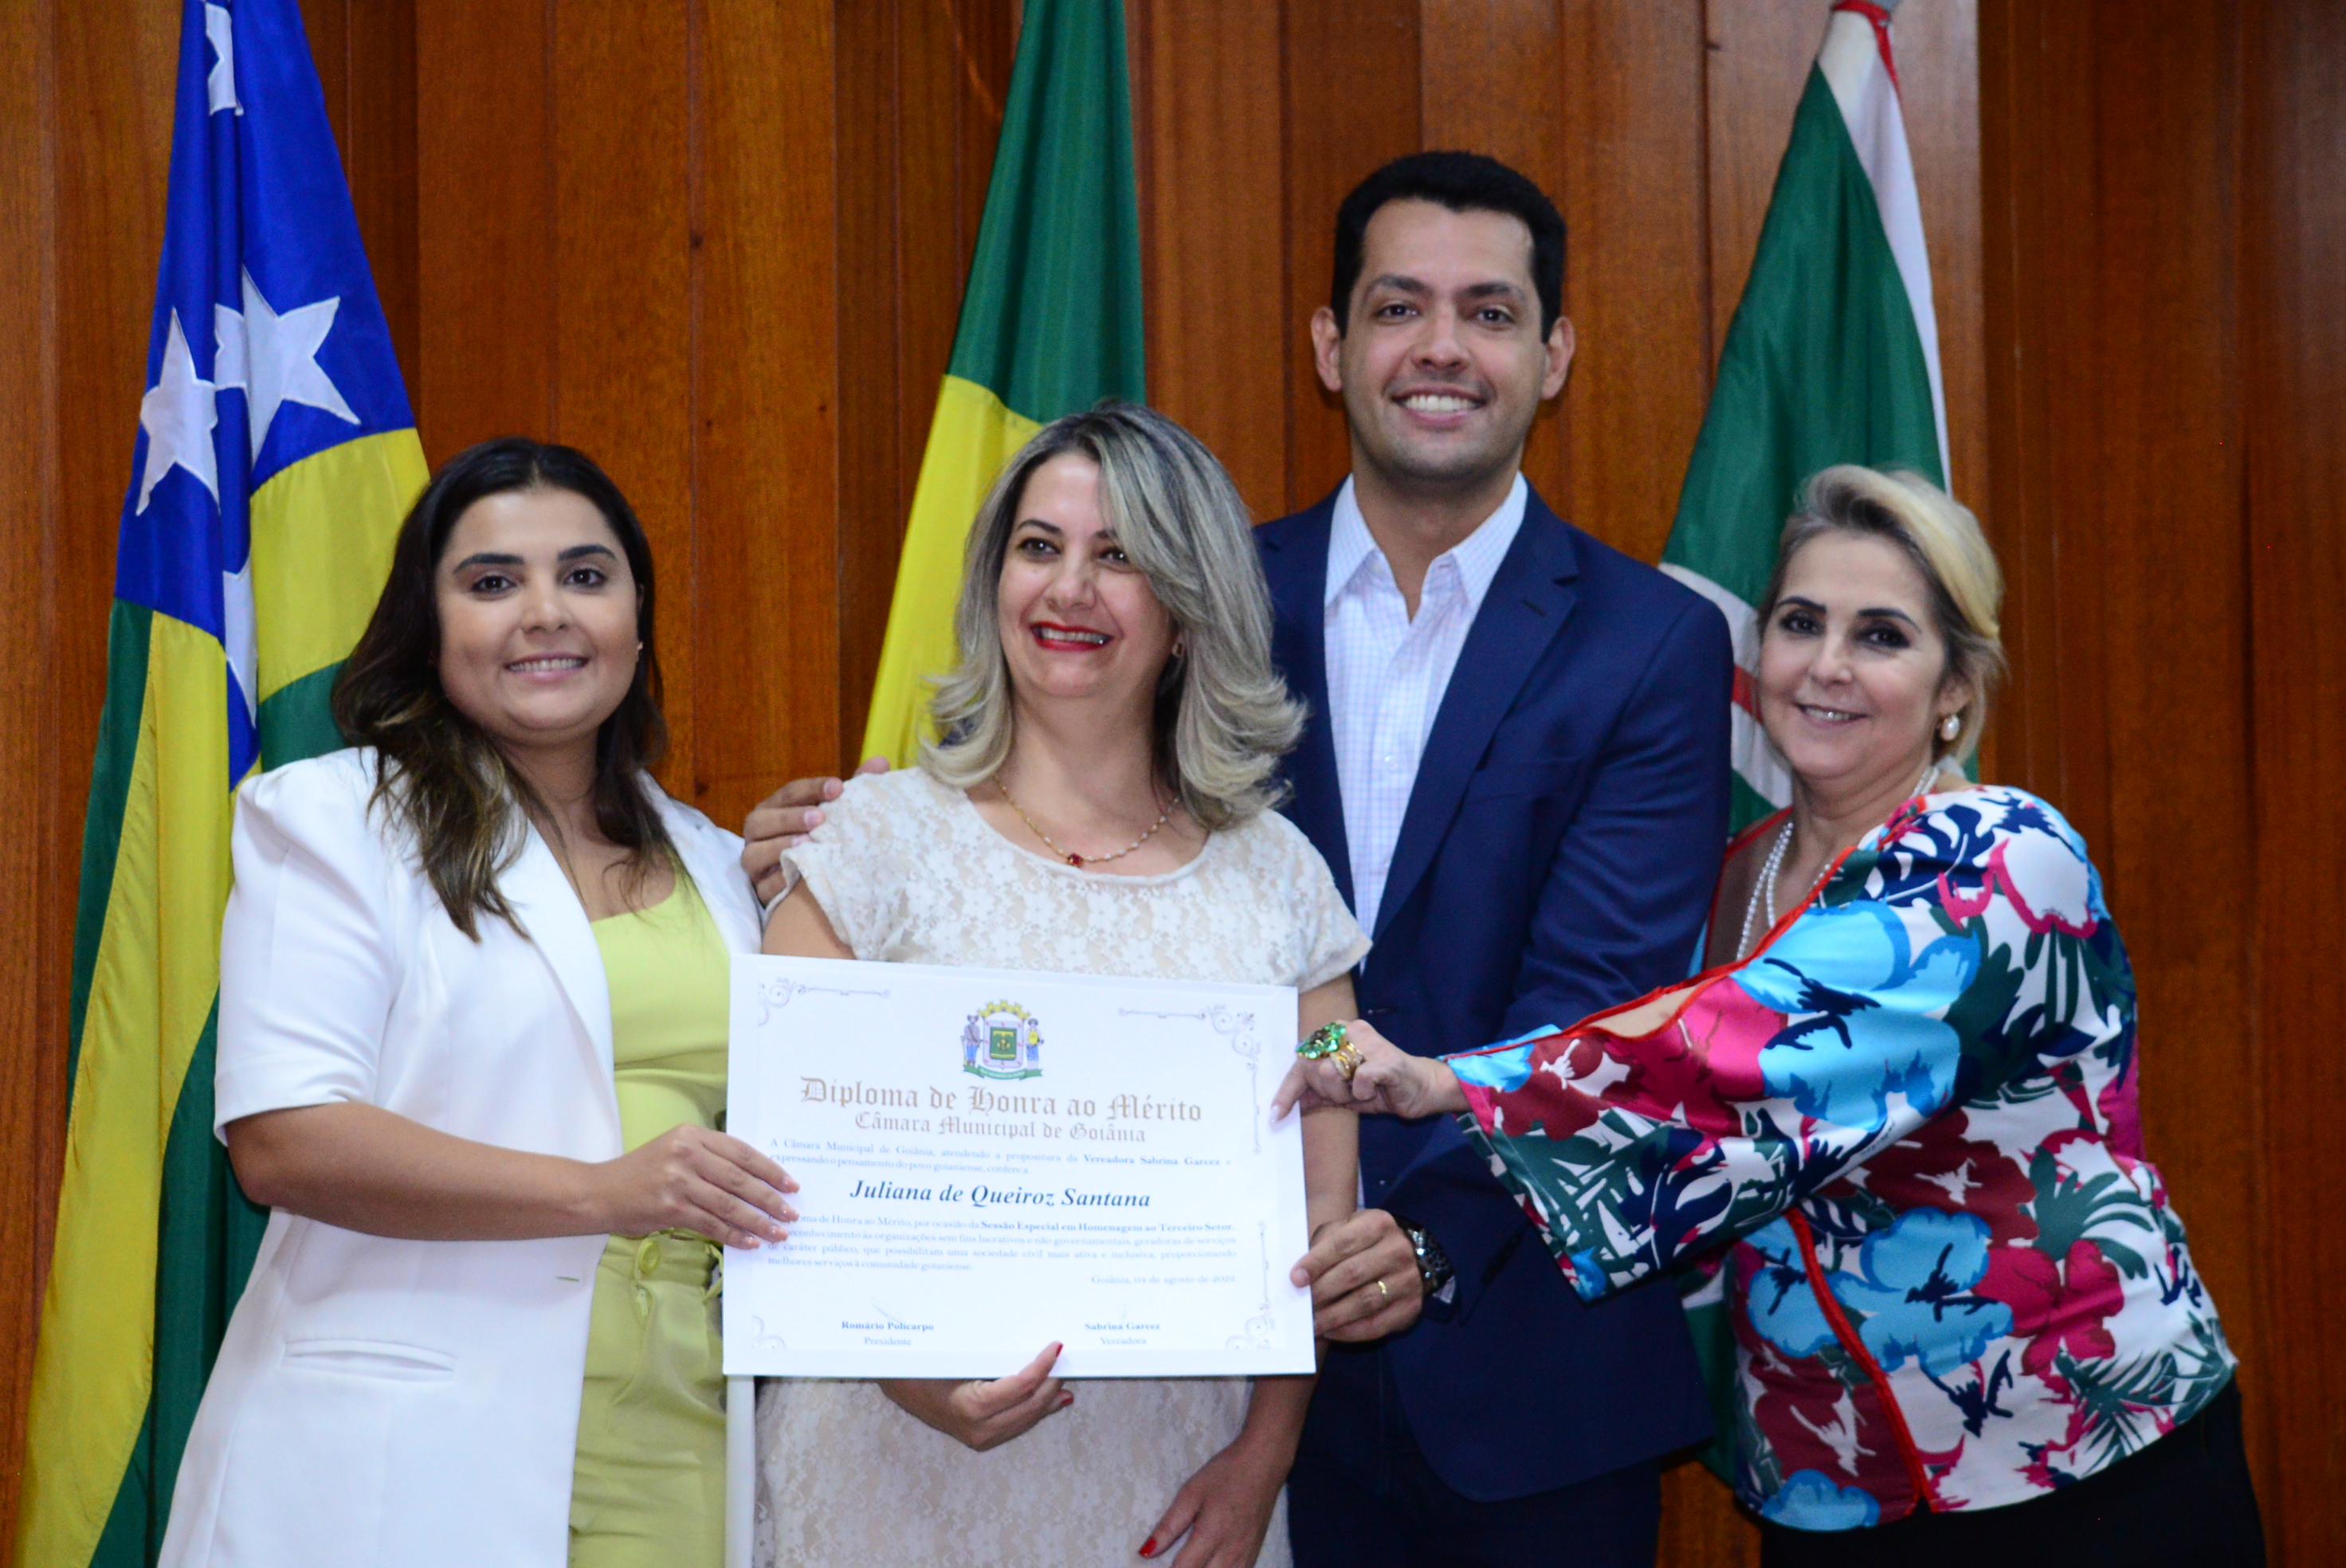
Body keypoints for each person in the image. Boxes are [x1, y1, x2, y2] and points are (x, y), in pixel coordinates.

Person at [743, 152, 1732, 1566]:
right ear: (1331, 343)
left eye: (1489, 312)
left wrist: (1417, 1239)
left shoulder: (1651, 642)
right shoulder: (1192, 592)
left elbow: (1600, 1000)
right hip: (1197, 1412)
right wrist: (829, 855)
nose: (1441, 347)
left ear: (1555, 352)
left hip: (1514, 1371)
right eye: (1397, 306)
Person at [1279, 466, 2265, 1567]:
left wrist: (1444, 1082)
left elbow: (1750, 1052)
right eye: (1801, 624)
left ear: (1955, 685)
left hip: (2082, 1457)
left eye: (1881, 635)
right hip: (1825, 1483)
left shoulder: (2003, 854)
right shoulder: (1731, 879)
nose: (1828, 665)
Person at [158, 438, 795, 1568]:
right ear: (430, 626)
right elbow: (284, 1141)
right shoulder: (332, 821)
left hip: (679, 1438)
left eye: (586, 576)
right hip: (409, 1455)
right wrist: (603, 1193)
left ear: (637, 622)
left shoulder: (713, 857)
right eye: (493, 582)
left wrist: (850, 874)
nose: (545, 612)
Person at [752, 403, 1369, 1568]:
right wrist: (917, 1378)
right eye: (1039, 548)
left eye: (1118, 555)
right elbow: (783, 1182)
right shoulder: (868, 843)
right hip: (883, 1471)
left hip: (1174, 1489)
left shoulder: (1285, 883)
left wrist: (1265, 1457)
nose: (1069, 589)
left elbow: (1320, 1216)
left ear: (1186, 612)